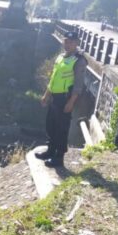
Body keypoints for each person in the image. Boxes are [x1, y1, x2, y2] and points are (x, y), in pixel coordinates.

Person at [37, 31, 87, 168]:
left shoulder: (79, 60)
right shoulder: (60, 57)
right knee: (51, 125)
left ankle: (58, 157)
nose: (67, 44)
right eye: (66, 41)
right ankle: (50, 151)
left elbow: (78, 85)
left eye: (71, 42)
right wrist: (46, 95)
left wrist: (71, 102)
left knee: (61, 128)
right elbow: (53, 78)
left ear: (77, 43)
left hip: (65, 98)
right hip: (54, 97)